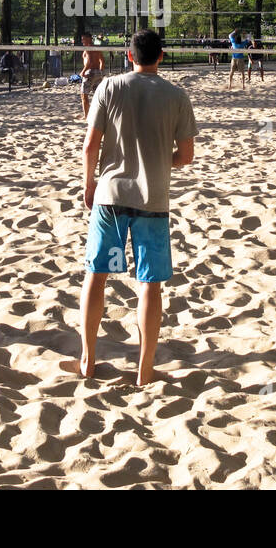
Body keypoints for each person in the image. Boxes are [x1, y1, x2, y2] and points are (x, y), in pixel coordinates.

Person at [79, 28, 197, 386]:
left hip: (111, 196)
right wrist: (161, 160)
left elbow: (90, 148)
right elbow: (187, 156)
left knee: (96, 276)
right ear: (160, 56)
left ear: (129, 56)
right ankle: (145, 371)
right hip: (153, 197)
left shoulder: (109, 87)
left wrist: (89, 184)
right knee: (150, 285)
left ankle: (87, 359)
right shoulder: (177, 96)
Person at [78, 31, 104, 120]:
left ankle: (86, 116)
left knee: (84, 95)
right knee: (98, 95)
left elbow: (89, 62)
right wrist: (100, 71)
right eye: (82, 39)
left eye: (84, 39)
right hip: (97, 73)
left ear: (89, 39)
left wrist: (83, 71)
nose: (82, 41)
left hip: (89, 73)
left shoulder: (88, 48)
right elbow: (102, 61)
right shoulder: (96, 48)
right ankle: (99, 115)